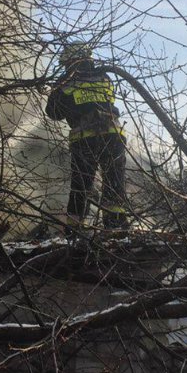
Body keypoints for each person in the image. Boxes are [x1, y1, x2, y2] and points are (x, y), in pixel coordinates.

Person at [45, 42, 129, 233]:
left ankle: (75, 232)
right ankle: (115, 228)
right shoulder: (105, 76)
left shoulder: (67, 81)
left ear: (71, 61)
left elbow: (53, 113)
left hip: (85, 138)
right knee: (114, 182)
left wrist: (57, 92)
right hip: (113, 135)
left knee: (81, 186)